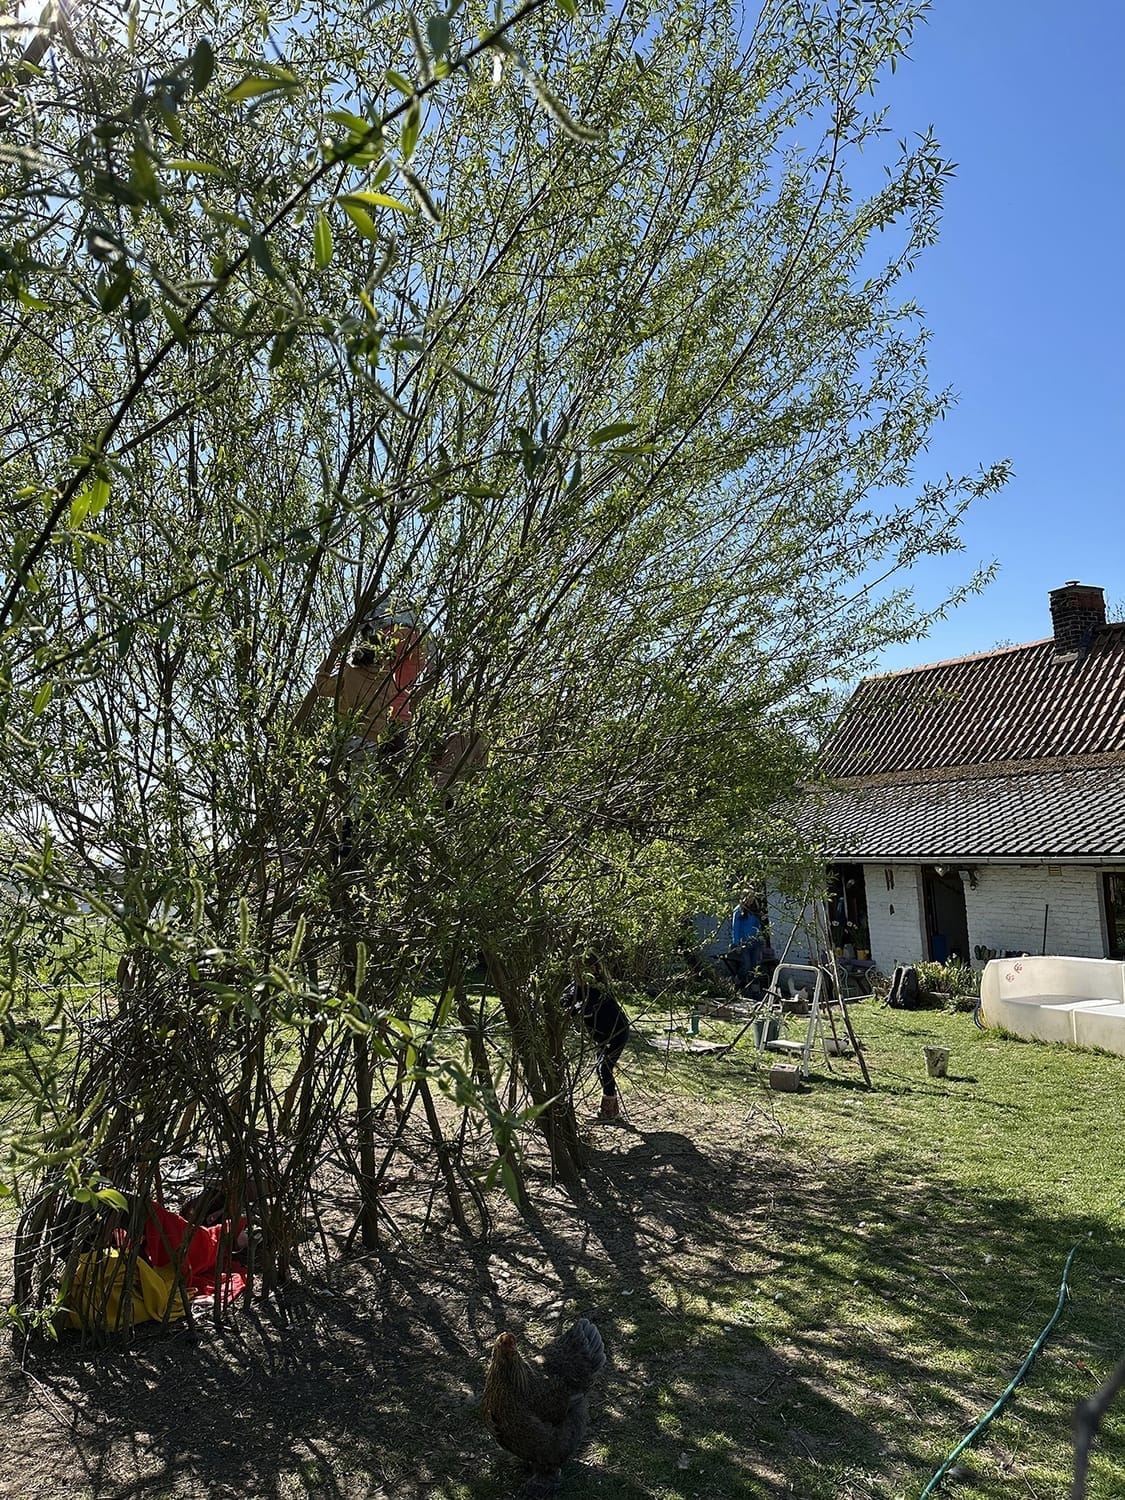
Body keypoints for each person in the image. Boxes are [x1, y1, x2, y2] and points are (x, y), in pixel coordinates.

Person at [561, 977, 631, 1121]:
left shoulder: (599, 988)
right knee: (601, 1067)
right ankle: (613, 1110)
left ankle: (608, 1112)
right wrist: (565, 1004)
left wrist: (574, 1009)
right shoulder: (579, 985)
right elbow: (567, 998)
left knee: (604, 1068)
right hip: (602, 1036)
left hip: (616, 1033)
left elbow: (588, 1005)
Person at [729, 897, 764, 990]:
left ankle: (755, 990)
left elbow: (758, 926)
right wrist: (736, 944)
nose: (751, 899)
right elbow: (735, 928)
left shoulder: (753, 910)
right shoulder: (738, 910)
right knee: (747, 965)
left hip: (755, 942)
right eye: (749, 897)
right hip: (743, 943)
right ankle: (737, 980)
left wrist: (760, 938)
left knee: (756, 967)